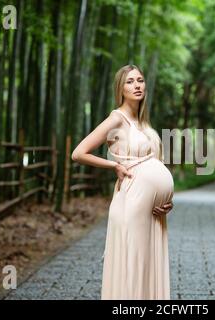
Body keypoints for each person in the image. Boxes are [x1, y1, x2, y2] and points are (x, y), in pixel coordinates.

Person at [71, 65, 174, 300]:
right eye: (130, 82)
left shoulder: (144, 124)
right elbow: (78, 153)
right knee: (134, 268)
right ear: (120, 88)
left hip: (154, 211)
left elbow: (155, 165)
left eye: (140, 80)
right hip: (131, 203)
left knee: (148, 267)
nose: (137, 85)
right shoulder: (116, 118)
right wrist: (114, 165)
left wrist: (167, 201)